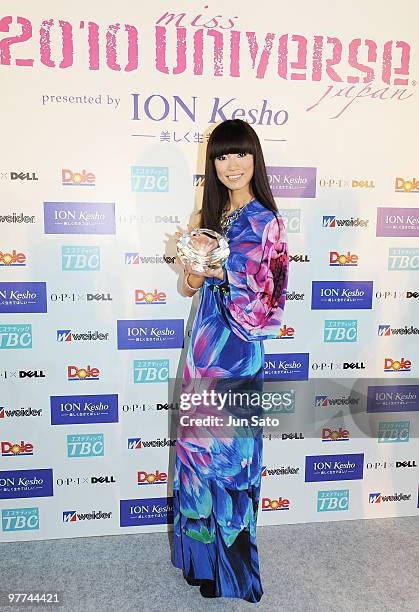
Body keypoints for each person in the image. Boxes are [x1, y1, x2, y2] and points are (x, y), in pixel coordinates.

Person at [172, 119, 289, 602]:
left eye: (241, 154)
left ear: (255, 159)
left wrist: (223, 272)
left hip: (237, 354)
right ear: (212, 164)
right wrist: (197, 269)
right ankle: (200, 561)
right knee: (197, 457)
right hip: (202, 348)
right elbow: (189, 287)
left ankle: (231, 573)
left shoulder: (268, 222)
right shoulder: (210, 216)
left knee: (231, 462)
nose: (233, 164)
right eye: (223, 156)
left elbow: (271, 302)